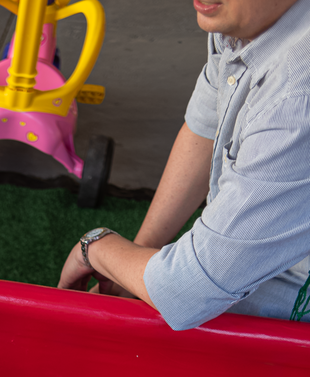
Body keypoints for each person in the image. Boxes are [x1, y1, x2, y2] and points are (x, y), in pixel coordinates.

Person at [58, 0, 310, 329]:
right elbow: (206, 123)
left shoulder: (295, 98)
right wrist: (137, 255)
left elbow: (188, 290)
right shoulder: (245, 19)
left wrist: (95, 247)